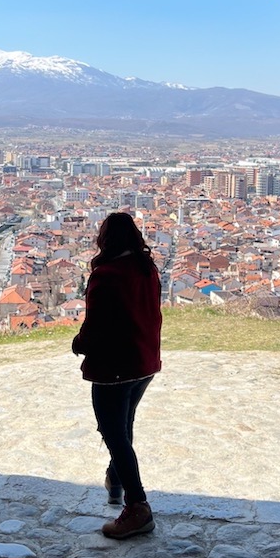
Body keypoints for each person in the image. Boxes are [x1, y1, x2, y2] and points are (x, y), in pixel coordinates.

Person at [72, 212, 162, 540]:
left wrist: (78, 344)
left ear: (105, 239)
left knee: (113, 432)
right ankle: (116, 480)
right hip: (144, 362)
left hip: (114, 368)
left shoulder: (107, 275)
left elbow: (94, 326)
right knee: (124, 427)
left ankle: (137, 506)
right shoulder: (146, 269)